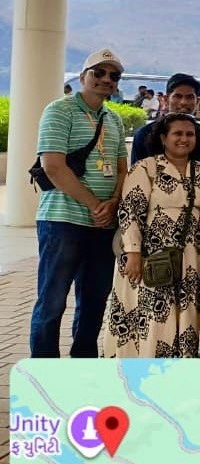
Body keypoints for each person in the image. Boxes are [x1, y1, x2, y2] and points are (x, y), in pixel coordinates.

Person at [30, 49, 129, 358]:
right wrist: (95, 205)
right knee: (52, 299)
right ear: (83, 76)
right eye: (99, 72)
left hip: (103, 225)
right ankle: (44, 367)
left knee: (95, 300)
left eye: (113, 75)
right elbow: (53, 167)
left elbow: (122, 168)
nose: (106, 79)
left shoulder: (114, 118)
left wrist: (113, 203)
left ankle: (83, 363)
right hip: (63, 221)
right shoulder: (59, 111)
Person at [106, 113, 200, 358]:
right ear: (163, 138)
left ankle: (178, 367)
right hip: (149, 255)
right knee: (150, 312)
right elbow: (129, 212)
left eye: (190, 134)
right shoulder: (145, 168)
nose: (184, 139)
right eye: (177, 133)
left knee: (184, 312)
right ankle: (143, 369)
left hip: (189, 257)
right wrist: (133, 252)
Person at [130, 73, 200, 165]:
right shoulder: (145, 134)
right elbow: (137, 171)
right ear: (166, 99)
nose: (183, 102)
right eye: (177, 96)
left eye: (190, 97)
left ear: (197, 101)